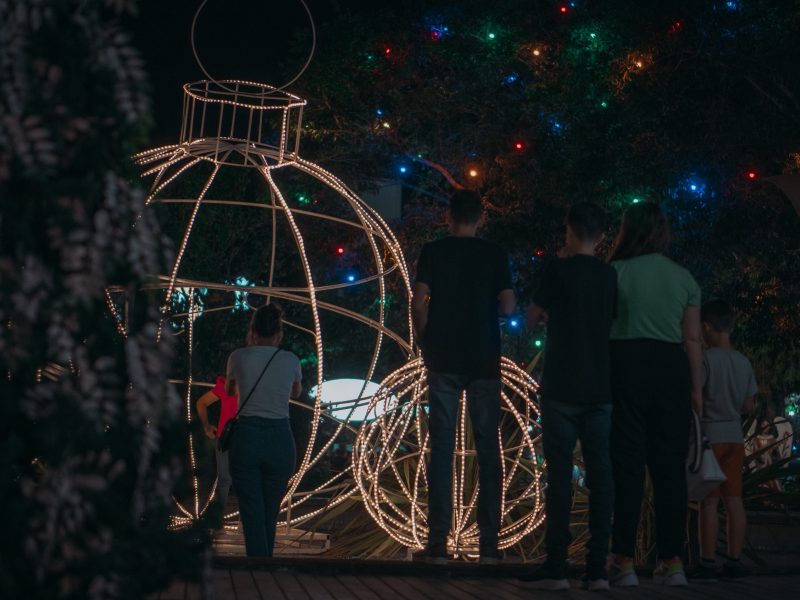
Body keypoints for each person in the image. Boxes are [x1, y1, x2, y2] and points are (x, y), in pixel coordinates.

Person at [411, 189, 516, 565]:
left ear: (448, 218)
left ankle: (436, 542)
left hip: (444, 358)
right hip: (484, 359)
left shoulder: (434, 252)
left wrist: (426, 338)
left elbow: (418, 300)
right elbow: (508, 304)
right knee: (489, 449)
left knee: (440, 448)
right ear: (481, 219)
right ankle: (490, 543)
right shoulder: (495, 254)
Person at [520, 203, 617, 591]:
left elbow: (530, 318)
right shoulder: (610, 275)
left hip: (561, 384)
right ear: (601, 237)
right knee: (601, 478)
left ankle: (557, 567)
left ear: (569, 231)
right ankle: (597, 570)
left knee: (559, 478)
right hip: (599, 385)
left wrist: (548, 316)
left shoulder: (557, 270)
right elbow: (610, 319)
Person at [606, 201, 703, 587]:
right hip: (671, 369)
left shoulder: (613, 273)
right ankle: (672, 560)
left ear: (627, 230)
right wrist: (696, 389)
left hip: (625, 365)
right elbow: (692, 338)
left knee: (627, 466)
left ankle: (624, 560)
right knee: (669, 470)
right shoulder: (683, 278)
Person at [225, 303, 302, 557]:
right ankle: (265, 564)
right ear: (279, 333)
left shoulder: (238, 356)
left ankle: (258, 566)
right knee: (271, 509)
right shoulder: (291, 360)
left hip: (247, 435)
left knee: (251, 508)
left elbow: (228, 391)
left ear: (253, 331)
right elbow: (296, 392)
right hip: (280, 437)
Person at [691, 299, 757, 582]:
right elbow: (750, 406)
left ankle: (707, 563)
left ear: (707, 327)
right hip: (735, 438)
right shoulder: (743, 361)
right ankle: (734, 560)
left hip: (710, 439)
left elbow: (696, 397)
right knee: (734, 501)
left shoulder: (706, 360)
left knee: (708, 503)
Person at [196, 375, 238, 518]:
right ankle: (215, 521)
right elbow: (201, 403)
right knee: (225, 480)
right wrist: (206, 427)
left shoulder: (254, 384)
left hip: (246, 439)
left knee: (243, 480)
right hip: (226, 439)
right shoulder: (226, 385)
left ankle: (245, 524)